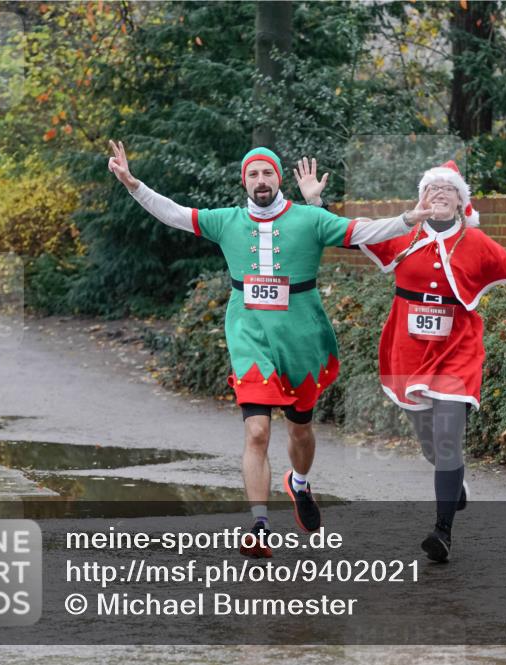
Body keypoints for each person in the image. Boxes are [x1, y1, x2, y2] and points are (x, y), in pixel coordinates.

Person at [108, 141, 433, 557]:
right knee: (257, 431)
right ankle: (259, 525)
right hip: (249, 336)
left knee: (300, 430)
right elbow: (174, 213)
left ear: (279, 178)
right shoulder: (225, 221)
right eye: (253, 175)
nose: (260, 181)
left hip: (301, 339)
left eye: (267, 173)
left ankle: (299, 483)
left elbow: (362, 231)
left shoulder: (310, 220)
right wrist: (133, 184)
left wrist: (408, 218)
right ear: (243, 181)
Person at [299, 159, 506, 562]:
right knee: (432, 448)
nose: (440, 193)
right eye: (433, 189)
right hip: (408, 350)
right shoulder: (402, 235)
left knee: (447, 438)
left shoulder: (478, 244)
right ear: (421, 199)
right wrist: (316, 202)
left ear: (462, 202)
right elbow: (346, 235)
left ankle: (442, 532)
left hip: (457, 351)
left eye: (449, 189)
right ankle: (454, 481)